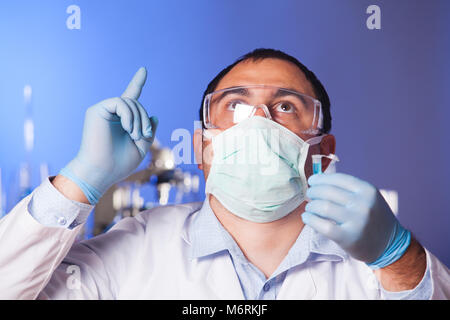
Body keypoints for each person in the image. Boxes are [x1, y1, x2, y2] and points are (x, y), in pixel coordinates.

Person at [0, 49, 448, 300]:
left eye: (286, 106)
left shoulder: (373, 267)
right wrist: (80, 180)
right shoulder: (131, 252)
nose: (259, 120)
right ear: (201, 147)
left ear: (323, 151)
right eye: (235, 105)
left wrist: (398, 259)